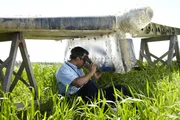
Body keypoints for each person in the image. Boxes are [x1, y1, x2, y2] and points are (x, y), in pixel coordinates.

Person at [56, 46, 132, 102]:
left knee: (120, 88)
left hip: (88, 94)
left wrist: (94, 79)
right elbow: (78, 83)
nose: (85, 63)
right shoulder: (63, 69)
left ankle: (132, 106)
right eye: (84, 60)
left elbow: (85, 84)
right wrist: (91, 72)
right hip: (75, 98)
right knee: (90, 85)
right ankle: (109, 107)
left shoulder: (78, 69)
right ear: (78, 59)